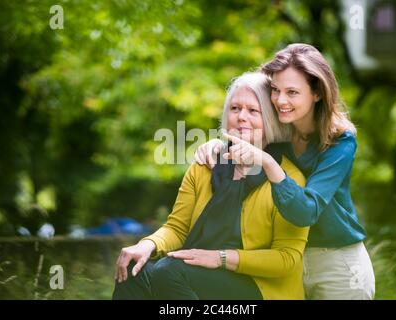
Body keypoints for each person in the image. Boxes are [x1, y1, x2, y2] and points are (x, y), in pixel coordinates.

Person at [194, 43, 375, 300]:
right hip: (289, 262)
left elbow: (306, 211)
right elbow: (247, 137)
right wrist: (218, 147)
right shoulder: (282, 130)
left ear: (317, 93)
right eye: (276, 91)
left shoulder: (340, 142)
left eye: (292, 92)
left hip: (338, 264)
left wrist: (269, 163)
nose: (280, 100)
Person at [112, 72, 309, 300]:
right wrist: (147, 245)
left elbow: (286, 259)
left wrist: (220, 257)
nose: (241, 117)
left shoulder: (287, 178)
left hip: (261, 287)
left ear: (270, 119)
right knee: (131, 269)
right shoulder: (206, 164)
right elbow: (177, 228)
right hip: (197, 271)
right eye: (235, 109)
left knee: (169, 272)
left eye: (253, 111)